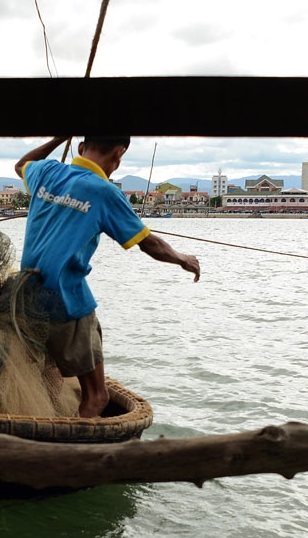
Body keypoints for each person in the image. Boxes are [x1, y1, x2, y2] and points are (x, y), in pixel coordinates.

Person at [13, 134, 201, 417]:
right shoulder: (105, 192)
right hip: (66, 301)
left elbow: (23, 164)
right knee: (97, 397)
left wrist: (57, 137)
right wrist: (182, 259)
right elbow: (149, 244)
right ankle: (75, 454)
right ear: (118, 153)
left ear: (79, 147)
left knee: (49, 374)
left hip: (25, 296)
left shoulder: (47, 171)